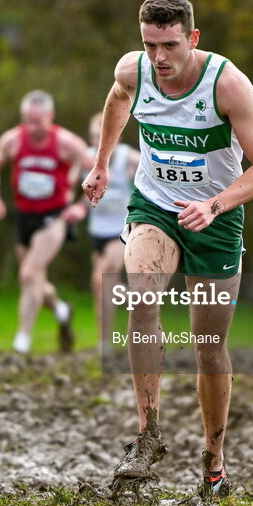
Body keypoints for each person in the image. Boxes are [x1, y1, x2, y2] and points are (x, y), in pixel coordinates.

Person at [82, 0, 253, 499]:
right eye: (150, 45)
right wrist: (103, 162)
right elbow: (117, 100)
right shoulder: (135, 70)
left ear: (192, 38)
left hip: (214, 221)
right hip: (154, 206)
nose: (159, 59)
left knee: (208, 347)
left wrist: (214, 205)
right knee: (141, 294)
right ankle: (147, 435)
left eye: (169, 45)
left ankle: (214, 460)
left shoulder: (228, 85)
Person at [0, 90, 94, 354]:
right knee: (35, 279)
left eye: (38, 121)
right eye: (27, 120)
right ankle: (61, 309)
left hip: (54, 217)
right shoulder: (12, 140)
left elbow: (97, 173)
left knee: (28, 274)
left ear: (50, 117)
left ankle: (22, 340)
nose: (32, 127)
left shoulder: (66, 142)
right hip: (24, 216)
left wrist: (81, 207)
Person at [86, 112, 139, 349]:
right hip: (97, 229)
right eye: (94, 138)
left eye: (102, 137)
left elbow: (156, 173)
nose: (99, 144)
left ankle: (142, 302)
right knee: (101, 287)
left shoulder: (129, 158)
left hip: (122, 228)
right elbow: (70, 184)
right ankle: (104, 341)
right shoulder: (86, 159)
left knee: (103, 276)